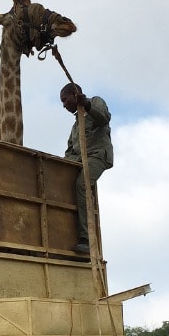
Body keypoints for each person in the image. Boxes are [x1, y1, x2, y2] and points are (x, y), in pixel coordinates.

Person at [59, 82, 113, 255]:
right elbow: (69, 151)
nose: (64, 105)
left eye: (65, 100)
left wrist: (87, 105)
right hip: (81, 159)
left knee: (82, 184)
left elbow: (103, 118)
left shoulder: (96, 102)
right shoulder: (75, 127)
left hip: (97, 155)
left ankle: (86, 239)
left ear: (75, 95)